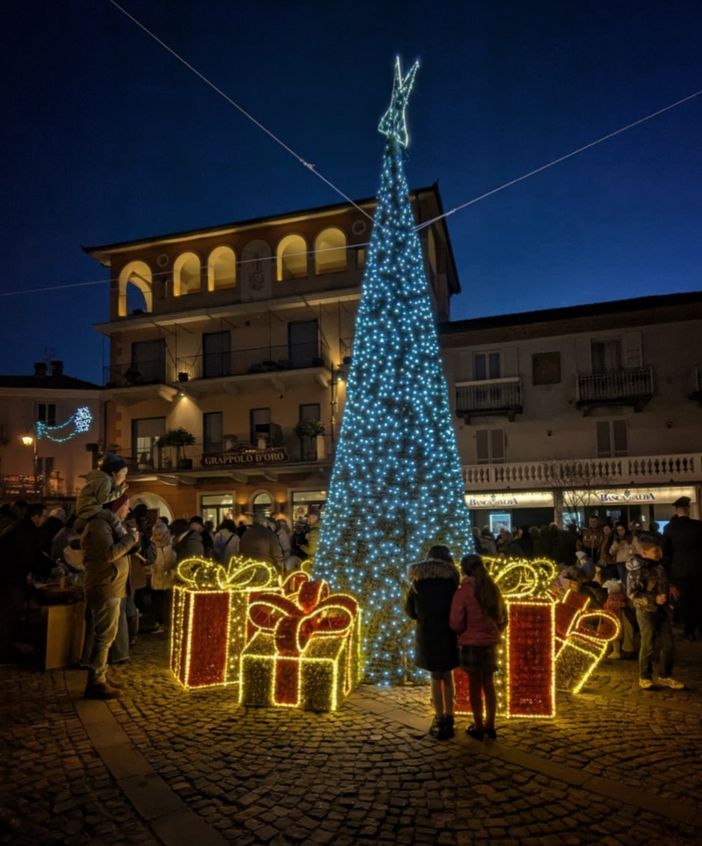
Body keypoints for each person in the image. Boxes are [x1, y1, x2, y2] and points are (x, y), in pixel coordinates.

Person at [81, 493, 139, 699]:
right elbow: (109, 554)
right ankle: (96, 681)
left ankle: (102, 675)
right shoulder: (99, 526)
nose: (128, 510)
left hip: (112, 585)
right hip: (105, 586)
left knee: (107, 635)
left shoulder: (109, 525)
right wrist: (130, 539)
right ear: (117, 507)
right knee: (104, 636)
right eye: (126, 505)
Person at [450, 554, 507, 741]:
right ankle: (491, 725)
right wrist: (494, 631)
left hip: (471, 644)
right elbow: (503, 616)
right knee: (489, 685)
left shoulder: (463, 592)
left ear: (464, 570)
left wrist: (463, 632)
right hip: (489, 643)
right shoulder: (492, 588)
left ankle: (478, 725)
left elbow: (456, 622)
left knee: (474, 686)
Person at [405, 544, 459, 740]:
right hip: (448, 632)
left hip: (427, 633)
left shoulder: (418, 583)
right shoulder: (452, 582)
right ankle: (450, 717)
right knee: (448, 674)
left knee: (435, 677)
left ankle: (439, 716)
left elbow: (410, 611)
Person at [626, 532, 685, 690]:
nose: (659, 553)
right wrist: (653, 599)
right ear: (643, 552)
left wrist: (669, 588)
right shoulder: (637, 570)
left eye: (659, 550)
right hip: (646, 611)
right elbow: (633, 594)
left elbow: (662, 581)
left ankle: (665, 675)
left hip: (662, 610)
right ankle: (645, 676)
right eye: (655, 551)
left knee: (668, 644)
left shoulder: (658, 566)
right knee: (648, 643)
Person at [663, 495, 702, 641]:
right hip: (698, 570)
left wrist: (668, 576)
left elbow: (666, 553)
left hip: (679, 571)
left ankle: (688, 630)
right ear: (688, 509)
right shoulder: (699, 526)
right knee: (698, 599)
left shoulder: (669, 528)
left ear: (677, 510)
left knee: (684, 601)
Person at [75, 454, 129, 524]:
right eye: (123, 473)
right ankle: (123, 534)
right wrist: (120, 491)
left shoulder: (103, 479)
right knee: (113, 518)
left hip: (88, 508)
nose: (124, 477)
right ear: (114, 472)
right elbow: (103, 499)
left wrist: (118, 487)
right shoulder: (105, 480)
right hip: (90, 510)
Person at [150, 520, 177, 631]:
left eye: (159, 534)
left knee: (170, 602)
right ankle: (160, 622)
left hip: (171, 578)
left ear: (165, 533)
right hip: (157, 577)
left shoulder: (173, 542)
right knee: (158, 603)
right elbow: (151, 559)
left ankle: (170, 623)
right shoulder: (152, 544)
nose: (157, 537)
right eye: (155, 535)